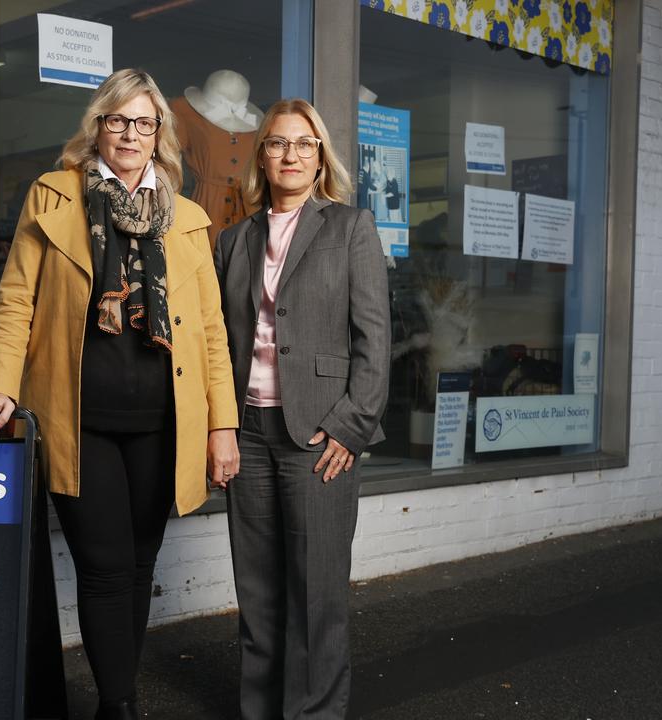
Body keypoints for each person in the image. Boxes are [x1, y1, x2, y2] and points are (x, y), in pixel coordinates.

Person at [0, 69, 240, 720]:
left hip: (164, 419)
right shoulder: (53, 198)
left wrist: (222, 425)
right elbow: (15, 304)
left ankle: (121, 691)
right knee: (107, 565)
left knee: (140, 564)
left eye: (145, 123)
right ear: (99, 126)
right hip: (77, 417)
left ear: (159, 134)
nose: (131, 134)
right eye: (119, 120)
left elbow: (211, 335)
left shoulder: (188, 218)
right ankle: (119, 704)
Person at [214, 99, 392, 720]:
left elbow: (374, 339)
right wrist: (220, 427)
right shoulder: (233, 240)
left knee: (316, 596)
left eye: (304, 143)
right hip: (251, 432)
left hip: (318, 434)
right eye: (277, 143)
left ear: (320, 158)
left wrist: (351, 424)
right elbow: (218, 345)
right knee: (258, 594)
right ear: (261, 156)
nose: (290, 154)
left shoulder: (350, 227)